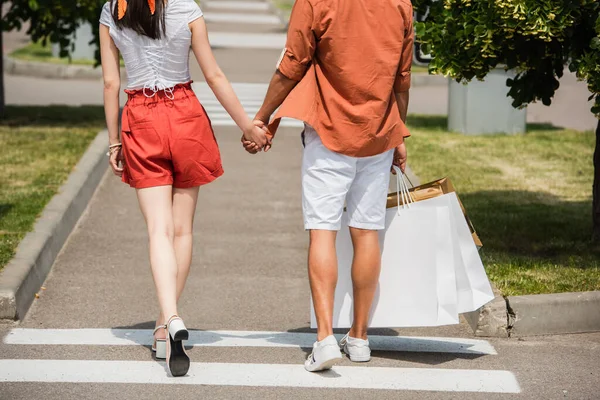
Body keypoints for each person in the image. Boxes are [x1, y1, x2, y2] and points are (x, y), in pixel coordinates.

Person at [99, 0, 269, 377]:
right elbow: (215, 76)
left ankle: (170, 317)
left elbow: (111, 83)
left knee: (157, 230)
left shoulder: (112, 10)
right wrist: (247, 126)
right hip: (186, 114)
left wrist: (114, 142)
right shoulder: (187, 8)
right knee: (182, 230)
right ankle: (164, 324)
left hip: (141, 119)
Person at [243, 0, 414, 372]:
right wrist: (400, 132)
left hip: (328, 132)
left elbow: (292, 64)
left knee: (322, 230)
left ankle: (324, 340)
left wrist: (262, 116)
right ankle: (360, 338)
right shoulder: (401, 4)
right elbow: (402, 77)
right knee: (367, 232)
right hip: (378, 133)